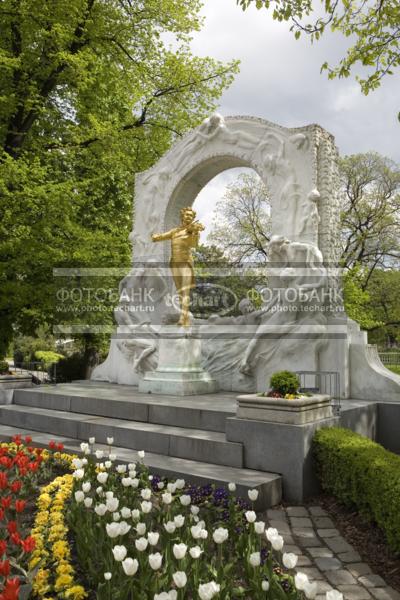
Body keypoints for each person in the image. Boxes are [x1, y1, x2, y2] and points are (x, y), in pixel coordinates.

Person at [151, 207, 204, 327]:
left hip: (186, 263)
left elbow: (194, 244)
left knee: (185, 291)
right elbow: (162, 236)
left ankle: (183, 317)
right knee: (180, 292)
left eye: (191, 216)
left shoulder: (192, 231)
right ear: (182, 216)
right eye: (187, 215)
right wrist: (155, 237)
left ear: (193, 218)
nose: (189, 217)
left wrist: (195, 232)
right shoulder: (175, 231)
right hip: (174, 263)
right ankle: (184, 315)